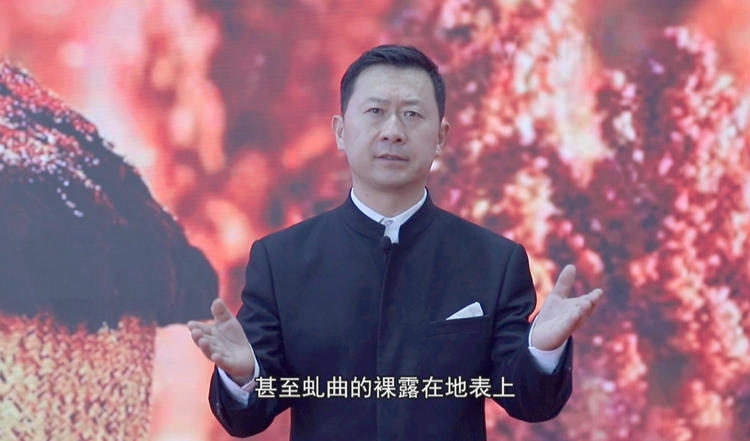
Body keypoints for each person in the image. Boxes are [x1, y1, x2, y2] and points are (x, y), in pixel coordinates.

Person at [188, 44, 603, 440]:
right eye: (375, 112)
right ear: (340, 131)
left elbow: (527, 399)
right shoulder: (281, 260)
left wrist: (541, 352)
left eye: (412, 114)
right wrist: (243, 376)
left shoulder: (494, 261)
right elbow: (249, 417)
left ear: (440, 136)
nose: (393, 132)